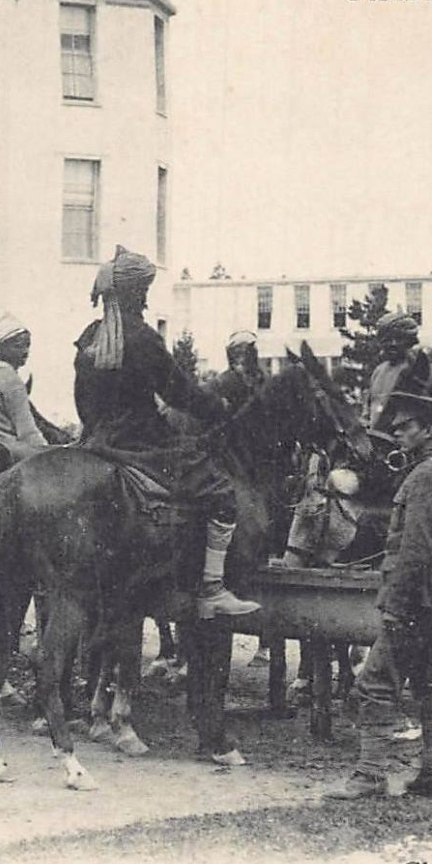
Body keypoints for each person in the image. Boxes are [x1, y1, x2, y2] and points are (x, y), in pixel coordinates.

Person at [72, 244, 259, 620]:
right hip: (141, 443)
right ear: (139, 291)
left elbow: (80, 398)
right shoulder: (142, 337)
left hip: (95, 440)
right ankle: (211, 589)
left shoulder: (90, 337)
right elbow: (179, 392)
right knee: (221, 492)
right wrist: (216, 406)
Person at [329, 390, 432, 800]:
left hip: (414, 596)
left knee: (376, 682)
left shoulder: (425, 476)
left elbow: (416, 548)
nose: (397, 433)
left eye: (406, 426)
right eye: (395, 428)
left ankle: (370, 775)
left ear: (428, 428)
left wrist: (396, 603)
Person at [0, 313, 47, 455]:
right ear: (2, 348)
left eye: (27, 346)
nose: (25, 352)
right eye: (18, 347)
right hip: (9, 453)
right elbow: (27, 433)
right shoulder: (11, 380)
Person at [364, 312, 421, 427]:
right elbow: (369, 407)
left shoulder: (417, 370)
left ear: (409, 341)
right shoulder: (379, 371)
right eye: (387, 340)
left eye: (399, 339)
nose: (393, 344)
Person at [206, 329, 270, 411]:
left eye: (249, 352)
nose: (243, 357)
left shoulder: (263, 381)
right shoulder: (221, 382)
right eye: (239, 352)